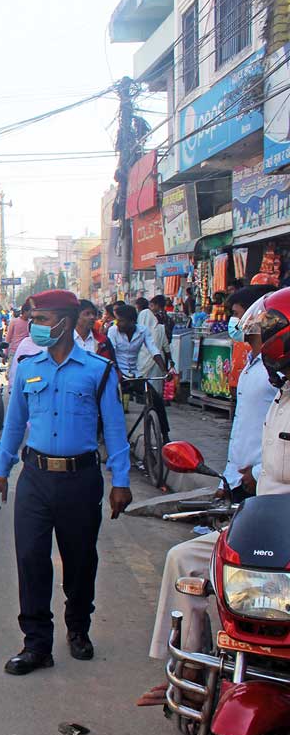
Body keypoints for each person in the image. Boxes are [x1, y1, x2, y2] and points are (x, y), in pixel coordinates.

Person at [138, 294, 278, 704]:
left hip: (273, 513)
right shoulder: (262, 373)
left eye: (257, 334)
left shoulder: (273, 377)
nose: (250, 339)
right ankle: (189, 667)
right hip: (253, 505)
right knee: (184, 559)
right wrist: (238, 476)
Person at [0, 289, 131, 675]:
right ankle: (36, 644)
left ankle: (78, 628)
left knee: (80, 559)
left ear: (65, 323)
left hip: (80, 479)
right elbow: (14, 425)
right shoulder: (28, 368)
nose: (35, 326)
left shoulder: (98, 370)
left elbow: (115, 432)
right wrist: (1, 472)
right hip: (35, 477)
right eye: (34, 318)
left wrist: (121, 480)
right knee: (31, 559)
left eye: (43, 319)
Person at [108, 304, 170, 439]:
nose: (118, 323)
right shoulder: (113, 331)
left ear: (132, 321)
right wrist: (118, 373)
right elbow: (111, 353)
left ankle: (165, 435)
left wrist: (164, 370)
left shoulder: (143, 331)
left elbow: (153, 350)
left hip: (135, 374)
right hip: (117, 374)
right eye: (117, 320)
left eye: (121, 320)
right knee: (109, 403)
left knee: (156, 400)